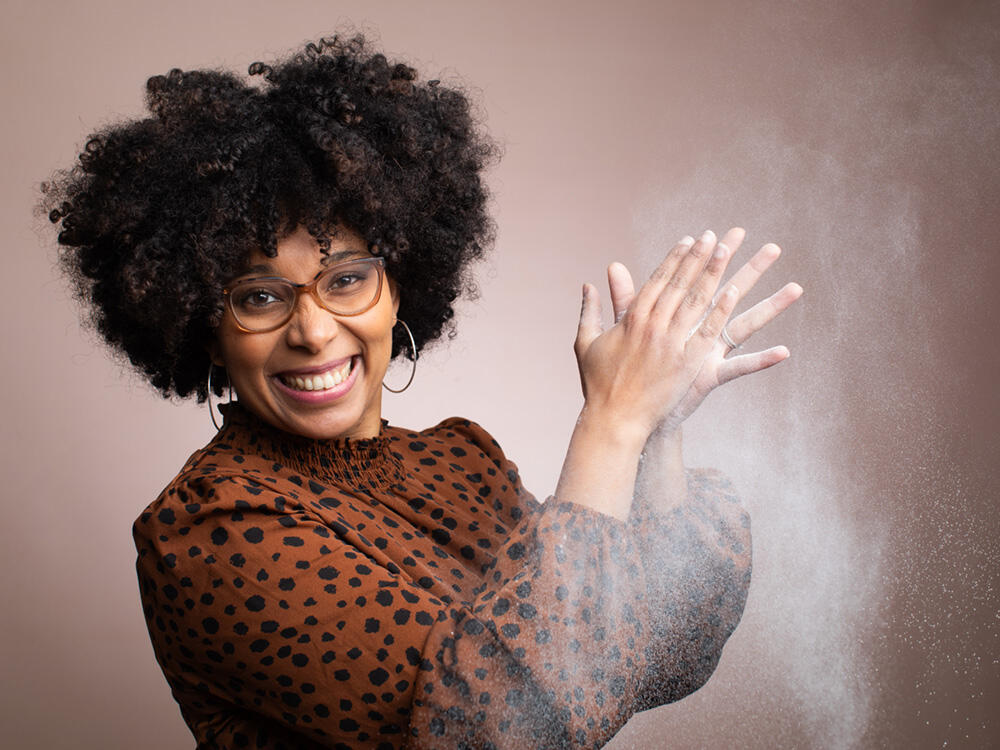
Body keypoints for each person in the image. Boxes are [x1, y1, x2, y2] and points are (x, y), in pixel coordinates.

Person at [43, 35, 801, 750]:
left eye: (345, 279)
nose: (312, 330)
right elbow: (508, 728)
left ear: (400, 286)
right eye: (260, 296)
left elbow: (655, 655)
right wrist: (610, 420)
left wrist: (654, 427)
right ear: (205, 327)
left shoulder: (460, 462)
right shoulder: (208, 532)